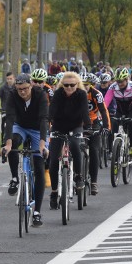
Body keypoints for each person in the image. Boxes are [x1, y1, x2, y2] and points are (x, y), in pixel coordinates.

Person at [1, 74, 49, 226]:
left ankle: (37, 212)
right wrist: (7, 144)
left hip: (36, 129)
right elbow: (9, 118)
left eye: (25, 89)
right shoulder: (12, 95)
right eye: (19, 89)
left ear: (31, 85)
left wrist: (42, 144)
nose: (22, 92)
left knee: (39, 166)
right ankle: (15, 178)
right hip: (20, 126)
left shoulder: (40, 94)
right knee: (13, 144)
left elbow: (44, 119)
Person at [48, 72, 91, 209]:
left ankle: (78, 176)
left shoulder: (81, 94)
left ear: (77, 84)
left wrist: (88, 127)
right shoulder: (58, 94)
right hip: (59, 127)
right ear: (62, 85)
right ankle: (54, 192)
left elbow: (85, 112)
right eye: (66, 85)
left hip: (75, 126)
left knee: (75, 145)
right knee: (53, 159)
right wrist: (46, 123)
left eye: (72, 85)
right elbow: (52, 110)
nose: (69, 87)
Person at [81, 72, 111, 195]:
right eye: (81, 85)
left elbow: (103, 110)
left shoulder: (96, 94)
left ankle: (93, 182)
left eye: (86, 85)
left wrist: (106, 126)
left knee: (94, 150)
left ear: (92, 85)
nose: (84, 87)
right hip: (78, 122)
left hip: (93, 122)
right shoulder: (74, 92)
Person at [103, 67, 132, 156]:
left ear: (126, 79)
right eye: (118, 81)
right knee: (113, 125)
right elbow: (106, 101)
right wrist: (103, 113)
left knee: (131, 124)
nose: (119, 83)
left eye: (121, 81)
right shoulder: (113, 87)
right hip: (120, 110)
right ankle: (112, 148)